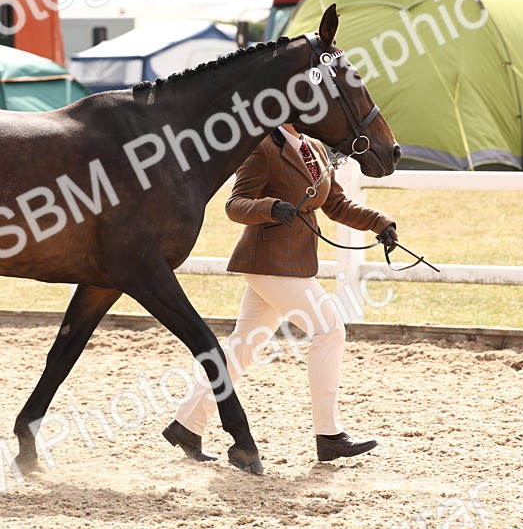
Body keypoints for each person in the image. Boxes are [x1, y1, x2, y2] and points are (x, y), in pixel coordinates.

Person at [162, 122, 400, 465]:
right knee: (330, 330)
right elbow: (235, 204)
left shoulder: (315, 148)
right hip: (268, 262)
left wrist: (380, 222)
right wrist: (270, 207)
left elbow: (336, 206)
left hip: (294, 263)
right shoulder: (261, 148)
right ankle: (329, 435)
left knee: (243, 347)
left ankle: (186, 424)